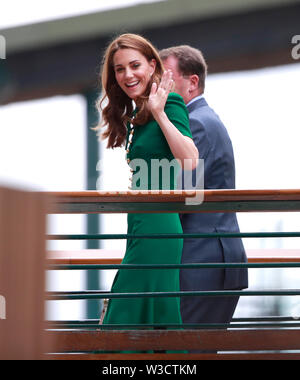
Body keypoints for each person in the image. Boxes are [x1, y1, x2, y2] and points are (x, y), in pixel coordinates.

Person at [95, 34, 198, 338]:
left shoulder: (169, 102)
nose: (128, 75)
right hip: (139, 226)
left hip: (159, 230)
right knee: (144, 320)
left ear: (152, 65)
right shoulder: (135, 114)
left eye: (135, 65)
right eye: (119, 69)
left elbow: (191, 160)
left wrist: (160, 112)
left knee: (124, 318)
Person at [160, 45, 248, 334]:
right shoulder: (206, 119)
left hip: (202, 263)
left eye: (167, 78)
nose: (161, 86)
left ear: (193, 82)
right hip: (214, 261)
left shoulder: (195, 123)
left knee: (183, 352)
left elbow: (183, 194)